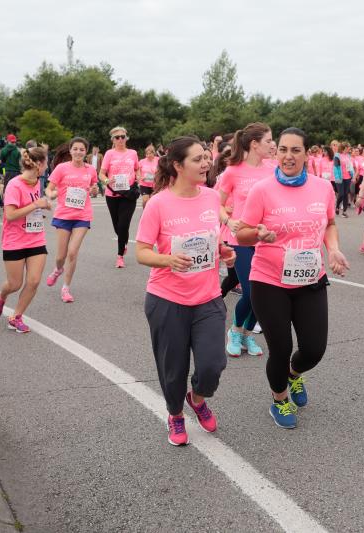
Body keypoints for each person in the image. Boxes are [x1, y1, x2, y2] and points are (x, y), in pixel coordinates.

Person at [236, 127, 349, 429]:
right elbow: (242, 233)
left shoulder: (323, 187)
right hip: (269, 280)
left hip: (310, 278)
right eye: (282, 149)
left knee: (314, 349)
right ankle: (280, 400)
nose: (288, 156)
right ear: (276, 153)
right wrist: (257, 233)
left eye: (295, 150)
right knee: (281, 347)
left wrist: (334, 249)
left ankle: (294, 374)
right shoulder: (262, 190)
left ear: (305, 153)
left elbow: (330, 224)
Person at [136, 136, 236, 446]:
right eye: (197, 159)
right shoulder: (158, 204)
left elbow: (212, 240)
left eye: (206, 157)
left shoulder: (210, 197)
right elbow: (141, 252)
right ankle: (175, 414)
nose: (206, 163)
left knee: (212, 364)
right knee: (173, 368)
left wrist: (223, 251)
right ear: (178, 166)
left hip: (207, 298)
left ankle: (198, 397)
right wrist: (168, 259)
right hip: (167, 300)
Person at [219, 122, 274, 358]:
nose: (273, 145)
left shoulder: (273, 169)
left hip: (266, 239)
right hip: (239, 238)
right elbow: (216, 202)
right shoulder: (233, 171)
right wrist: (228, 220)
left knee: (264, 295)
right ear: (254, 144)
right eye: (269, 141)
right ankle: (234, 331)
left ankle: (247, 334)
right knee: (251, 292)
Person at [0, 146, 52, 334]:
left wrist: (43, 206)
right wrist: (35, 204)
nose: (47, 165)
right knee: (14, 284)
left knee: (33, 281)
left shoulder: (37, 182)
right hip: (15, 240)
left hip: (36, 239)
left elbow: (36, 206)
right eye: (47, 162)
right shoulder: (15, 184)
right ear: (39, 165)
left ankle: (16, 317)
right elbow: (10, 214)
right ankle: (1, 296)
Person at [44, 137, 99, 302]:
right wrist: (51, 194)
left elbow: (94, 191)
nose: (78, 152)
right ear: (70, 150)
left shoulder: (90, 170)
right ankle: (58, 269)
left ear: (86, 152)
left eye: (82, 149)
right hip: (63, 215)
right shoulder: (62, 168)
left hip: (82, 216)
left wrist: (95, 190)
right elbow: (49, 188)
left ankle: (66, 288)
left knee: (73, 252)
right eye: (75, 149)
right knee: (61, 256)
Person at [100, 126, 140, 269]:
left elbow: (137, 168)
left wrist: (138, 177)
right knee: (117, 226)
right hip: (113, 193)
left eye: (123, 136)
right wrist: (106, 181)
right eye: (117, 137)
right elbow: (102, 173)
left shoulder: (133, 153)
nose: (121, 139)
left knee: (123, 225)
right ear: (113, 140)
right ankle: (124, 242)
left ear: (126, 138)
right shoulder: (109, 154)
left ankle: (120, 256)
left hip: (128, 194)